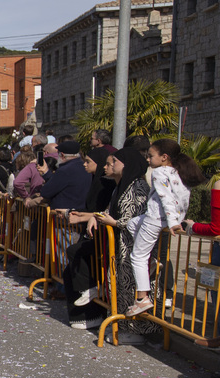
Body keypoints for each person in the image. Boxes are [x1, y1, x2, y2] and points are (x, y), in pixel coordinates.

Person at [64, 149, 152, 343]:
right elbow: (110, 210)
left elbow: (135, 219)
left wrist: (114, 223)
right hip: (118, 246)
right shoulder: (120, 186)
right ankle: (121, 325)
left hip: (131, 246)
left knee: (129, 287)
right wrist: (97, 217)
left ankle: (134, 329)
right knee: (118, 285)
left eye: (113, 162)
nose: (108, 166)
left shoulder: (138, 187)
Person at [126, 139, 204, 317]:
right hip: (160, 217)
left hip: (157, 218)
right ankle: (152, 262)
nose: (148, 159)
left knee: (137, 257)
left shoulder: (159, 172)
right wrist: (176, 219)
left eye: (151, 156)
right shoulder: (179, 172)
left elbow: (166, 197)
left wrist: (172, 222)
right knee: (132, 224)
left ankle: (142, 299)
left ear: (164, 157)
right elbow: (182, 199)